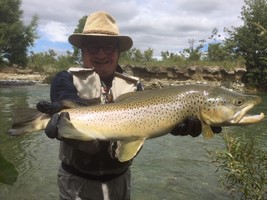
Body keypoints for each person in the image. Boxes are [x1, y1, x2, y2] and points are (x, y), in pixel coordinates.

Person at [38, 11, 221, 200]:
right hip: (76, 183)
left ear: (118, 52)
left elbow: (145, 124)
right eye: (93, 47)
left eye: (109, 47)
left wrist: (176, 123)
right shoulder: (65, 78)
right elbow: (66, 100)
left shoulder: (134, 86)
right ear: (82, 50)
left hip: (120, 182)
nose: (101, 54)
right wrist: (64, 111)